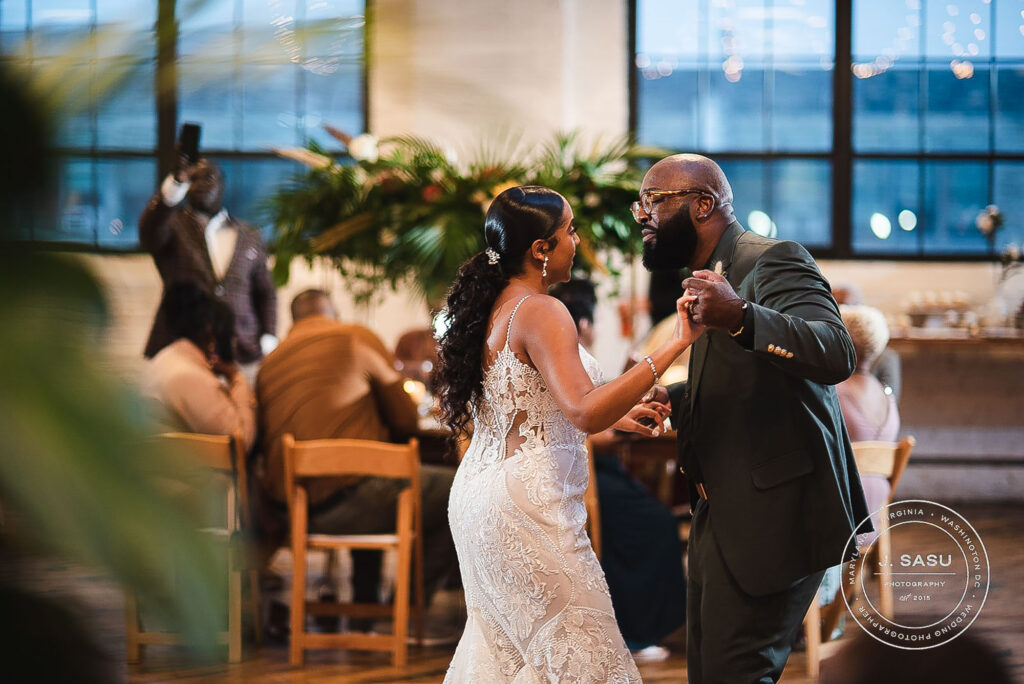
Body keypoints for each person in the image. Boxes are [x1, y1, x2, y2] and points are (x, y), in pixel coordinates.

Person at [436, 185, 699, 682]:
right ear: (541, 249)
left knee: (511, 656)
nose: (577, 241)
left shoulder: (491, 305)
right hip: (527, 506)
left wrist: (620, 415)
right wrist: (675, 345)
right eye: (570, 231)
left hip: (479, 499)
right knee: (582, 655)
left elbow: (530, 399)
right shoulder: (542, 311)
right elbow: (581, 410)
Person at [635, 154, 869, 683]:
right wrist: (675, 397)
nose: (643, 216)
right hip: (722, 509)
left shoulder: (772, 258)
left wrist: (741, 314)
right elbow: (741, 379)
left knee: (735, 675)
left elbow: (836, 353)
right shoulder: (706, 272)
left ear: (702, 203)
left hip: (775, 514)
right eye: (640, 205)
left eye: (653, 201)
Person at [255, 289, 458, 617]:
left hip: (288, 509)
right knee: (456, 492)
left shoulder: (272, 361)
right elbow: (405, 419)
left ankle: (367, 604)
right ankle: (404, 613)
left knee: (371, 473)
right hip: (348, 500)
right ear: (332, 312)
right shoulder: (355, 337)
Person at [550, 278, 687, 663]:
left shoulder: (568, 353)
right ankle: (636, 629)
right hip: (582, 472)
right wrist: (614, 429)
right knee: (651, 522)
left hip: (597, 468)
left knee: (650, 515)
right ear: (585, 324)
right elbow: (578, 424)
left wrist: (623, 418)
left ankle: (646, 625)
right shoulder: (563, 352)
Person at [139, 155, 278, 374]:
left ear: (222, 184)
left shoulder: (249, 234)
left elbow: (265, 291)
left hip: (243, 350)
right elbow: (149, 230)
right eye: (193, 179)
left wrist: (268, 340)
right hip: (183, 347)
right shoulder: (171, 227)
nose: (200, 185)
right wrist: (174, 185)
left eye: (209, 178)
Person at [141, 282, 256, 452]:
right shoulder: (189, 375)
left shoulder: (166, 358)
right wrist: (236, 377)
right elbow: (242, 440)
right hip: (182, 475)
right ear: (209, 330)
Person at [832, 283, 902, 400]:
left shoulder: (884, 357)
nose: (840, 312)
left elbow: (890, 397)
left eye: (846, 306)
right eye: (834, 306)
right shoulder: (824, 352)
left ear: (861, 308)